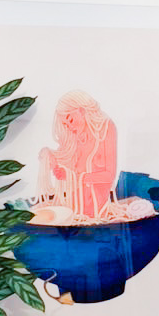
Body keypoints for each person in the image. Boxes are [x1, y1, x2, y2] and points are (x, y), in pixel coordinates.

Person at [37, 90, 118, 220]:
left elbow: (109, 175)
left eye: (71, 120)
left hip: (96, 208)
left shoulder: (106, 128)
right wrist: (51, 158)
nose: (70, 126)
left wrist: (76, 177)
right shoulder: (76, 135)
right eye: (65, 124)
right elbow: (68, 162)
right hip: (74, 204)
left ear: (82, 111)